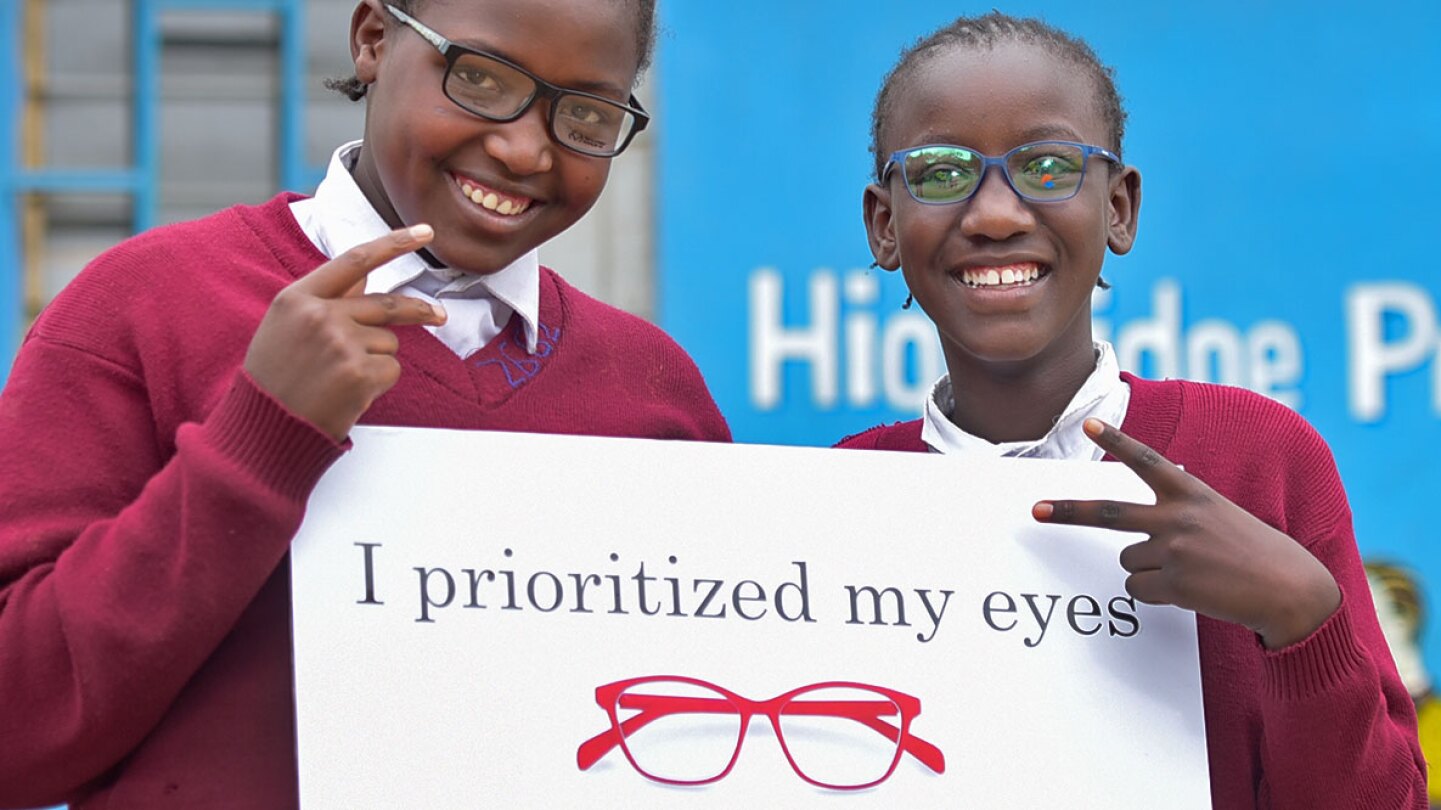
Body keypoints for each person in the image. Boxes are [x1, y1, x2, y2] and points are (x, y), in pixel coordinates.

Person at [0, 0, 728, 806]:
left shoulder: (655, 394)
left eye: (586, 114)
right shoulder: (147, 305)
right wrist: (260, 437)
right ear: (374, 39)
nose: (524, 148)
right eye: (480, 78)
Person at [836, 12, 1425, 807]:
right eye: (940, 173)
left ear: (1119, 207)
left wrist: (1298, 615)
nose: (995, 214)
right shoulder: (840, 496)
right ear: (883, 225)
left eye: (1047, 166)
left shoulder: (1259, 459)